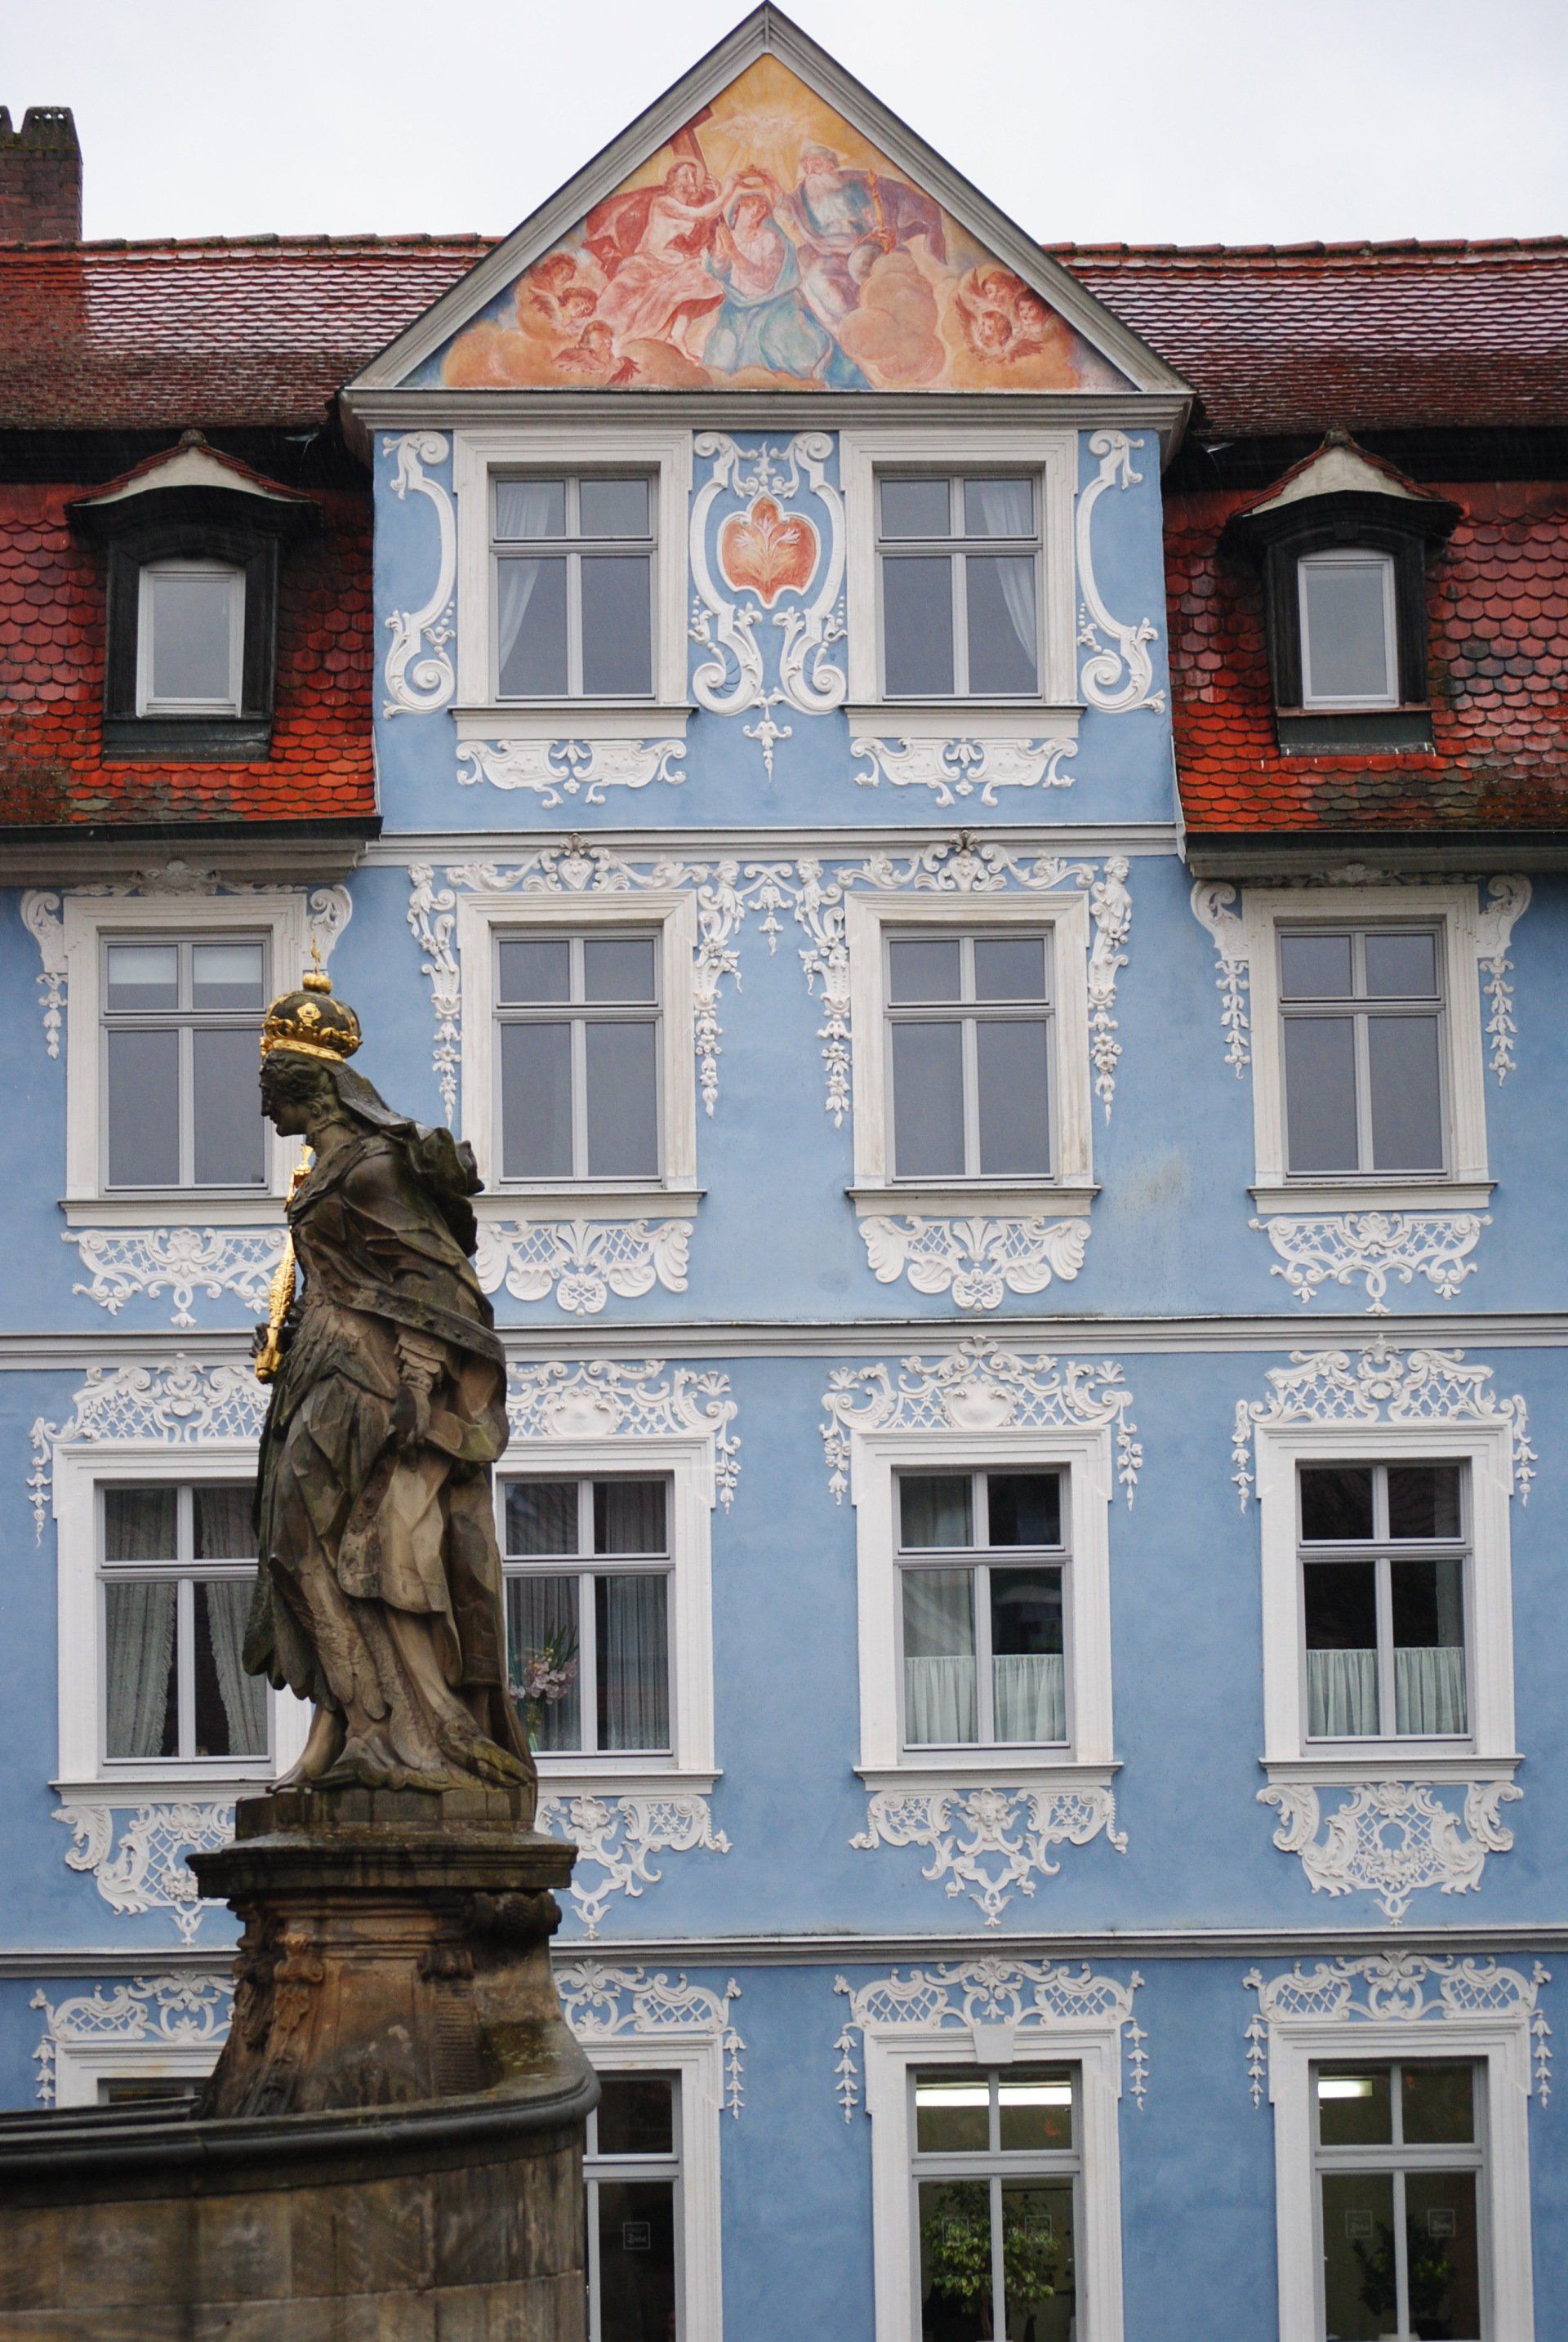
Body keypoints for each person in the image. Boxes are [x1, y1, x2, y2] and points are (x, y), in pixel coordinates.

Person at [243, 964, 533, 1799]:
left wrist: (415, 1380)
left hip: (363, 1378)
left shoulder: (371, 1168)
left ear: (310, 1089)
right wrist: (285, 1333)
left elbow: (439, 1287)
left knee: (312, 1546)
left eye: (271, 1086)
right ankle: (344, 1727)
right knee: (306, 1554)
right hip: (318, 1364)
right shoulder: (329, 1171)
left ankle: (383, 1726)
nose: (264, 1105)